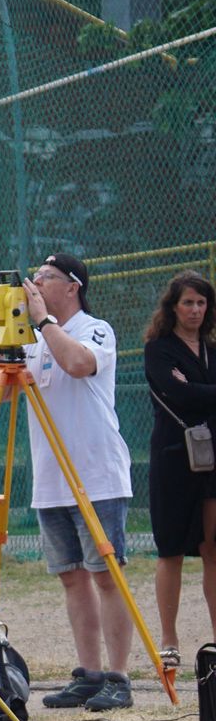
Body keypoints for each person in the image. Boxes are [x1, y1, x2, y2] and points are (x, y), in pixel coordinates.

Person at [0, 253, 137, 711]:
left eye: (46, 278)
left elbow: (79, 364)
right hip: (51, 478)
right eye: (36, 277)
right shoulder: (32, 339)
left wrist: (43, 322)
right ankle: (88, 673)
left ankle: (119, 677)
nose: (36, 284)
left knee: (107, 576)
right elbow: (4, 392)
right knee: (71, 577)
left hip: (97, 476)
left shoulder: (94, 329)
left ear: (72, 287)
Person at [142, 270, 216, 676]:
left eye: (201, 303)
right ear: (173, 307)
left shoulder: (211, 349)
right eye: (188, 302)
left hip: (212, 459)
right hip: (174, 458)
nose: (195, 310)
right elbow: (179, 395)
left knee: (212, 547)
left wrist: (196, 392)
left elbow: (192, 393)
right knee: (169, 549)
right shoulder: (159, 349)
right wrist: (197, 393)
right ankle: (169, 640)